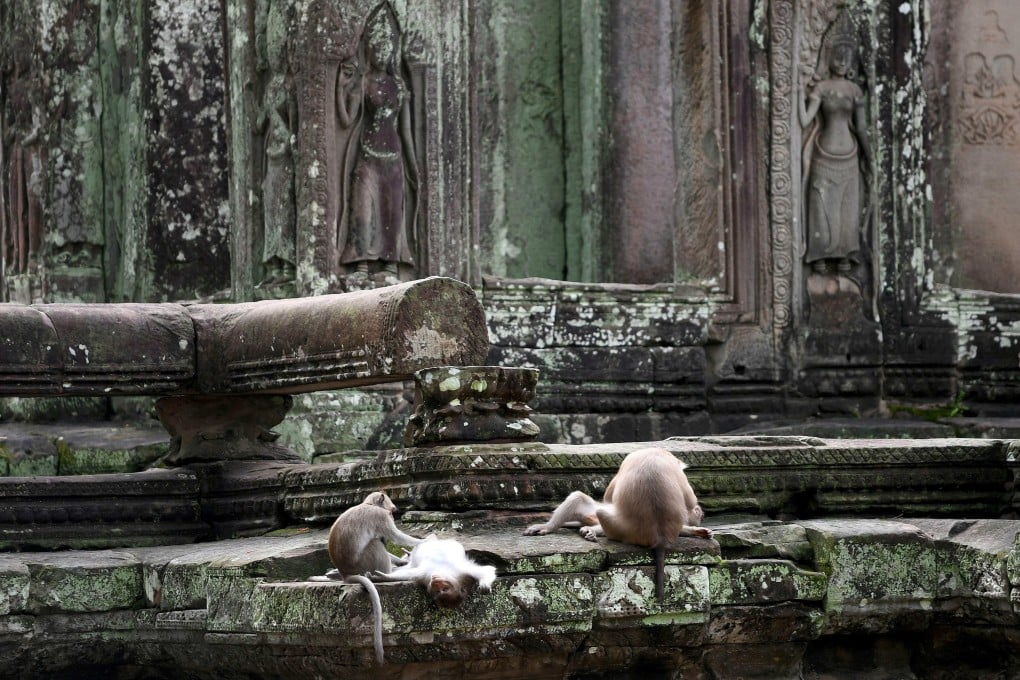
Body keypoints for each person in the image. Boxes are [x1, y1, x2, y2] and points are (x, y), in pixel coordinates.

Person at [336, 4, 418, 281]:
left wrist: (415, 168)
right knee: (363, 208)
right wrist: (340, 88)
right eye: (377, 45)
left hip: (393, 157)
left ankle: (390, 266)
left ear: (392, 50)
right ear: (369, 48)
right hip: (368, 154)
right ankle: (359, 265)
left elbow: (406, 132)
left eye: (387, 46)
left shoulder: (399, 86)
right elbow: (347, 120)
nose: (382, 51)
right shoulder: (363, 82)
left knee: (392, 211)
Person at [800, 11, 871, 275]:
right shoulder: (821, 88)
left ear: (852, 59)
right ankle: (819, 255)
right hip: (824, 153)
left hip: (850, 156)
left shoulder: (855, 91)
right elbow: (805, 118)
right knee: (821, 205)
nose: (841, 60)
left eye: (846, 56)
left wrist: (871, 159)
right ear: (828, 58)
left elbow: (862, 128)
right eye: (837, 55)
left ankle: (845, 255)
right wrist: (798, 91)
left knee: (847, 209)